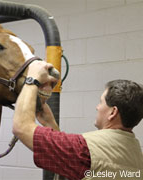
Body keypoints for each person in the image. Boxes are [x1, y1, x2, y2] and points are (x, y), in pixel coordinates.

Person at [12, 60, 143, 180]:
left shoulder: (85, 150)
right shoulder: (136, 156)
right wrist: (49, 123)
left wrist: (32, 79)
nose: (97, 107)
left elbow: (22, 128)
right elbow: (74, 166)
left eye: (101, 102)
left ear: (113, 112)